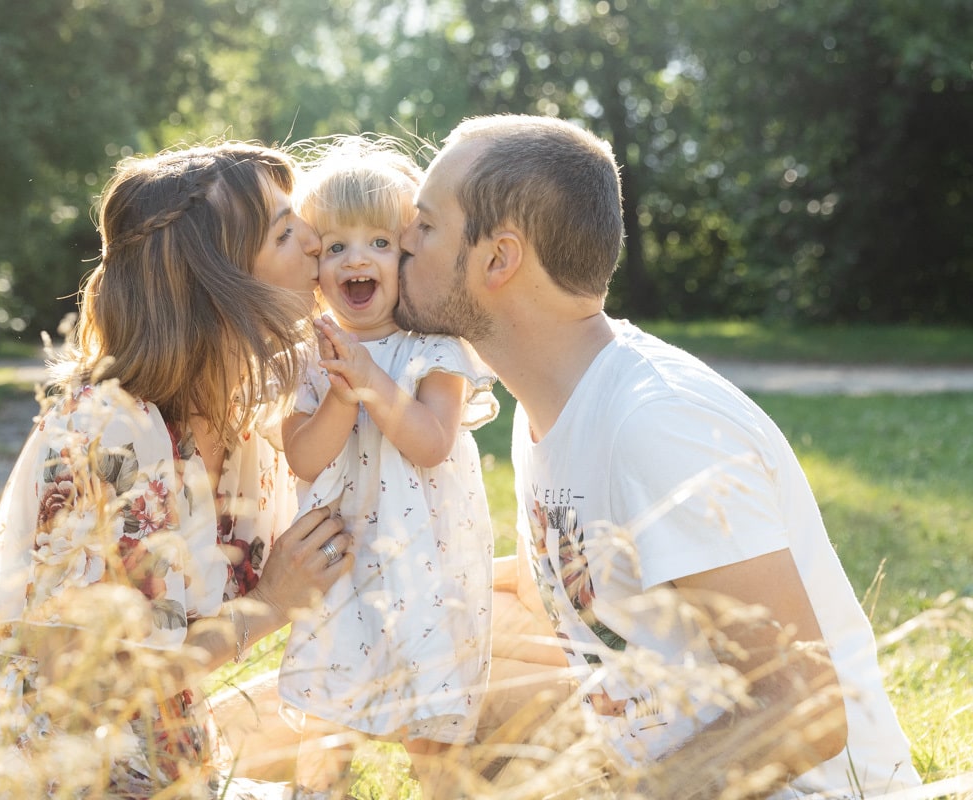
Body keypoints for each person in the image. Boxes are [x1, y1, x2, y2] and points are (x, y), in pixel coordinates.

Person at [393, 114, 922, 799]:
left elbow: (807, 710)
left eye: (426, 224)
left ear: (498, 258)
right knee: (440, 663)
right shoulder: (548, 408)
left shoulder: (657, 423)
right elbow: (538, 597)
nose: (403, 240)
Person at [0, 142, 354, 800]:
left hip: (163, 756)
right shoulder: (106, 430)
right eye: (284, 232)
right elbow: (80, 692)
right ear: (214, 277)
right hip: (48, 774)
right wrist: (268, 607)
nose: (316, 242)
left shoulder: (248, 413)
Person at [275, 138, 498, 798]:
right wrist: (344, 394)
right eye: (334, 246)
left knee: (435, 733)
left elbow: (430, 442)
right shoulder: (307, 355)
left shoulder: (435, 348)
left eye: (377, 241)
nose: (356, 259)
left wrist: (373, 381)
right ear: (316, 268)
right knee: (325, 720)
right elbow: (303, 457)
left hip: (429, 562)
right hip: (340, 559)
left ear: (405, 255)